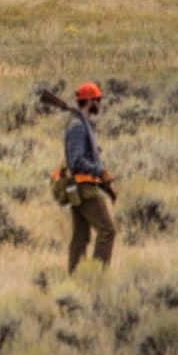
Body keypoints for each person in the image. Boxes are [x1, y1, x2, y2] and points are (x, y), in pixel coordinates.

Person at [61, 82, 118, 273]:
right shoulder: (78, 127)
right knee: (107, 231)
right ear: (89, 101)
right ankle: (96, 276)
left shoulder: (83, 124)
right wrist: (99, 172)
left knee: (81, 237)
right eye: (97, 99)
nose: (100, 103)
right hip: (83, 188)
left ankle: (76, 278)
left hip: (81, 187)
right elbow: (76, 161)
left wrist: (106, 186)